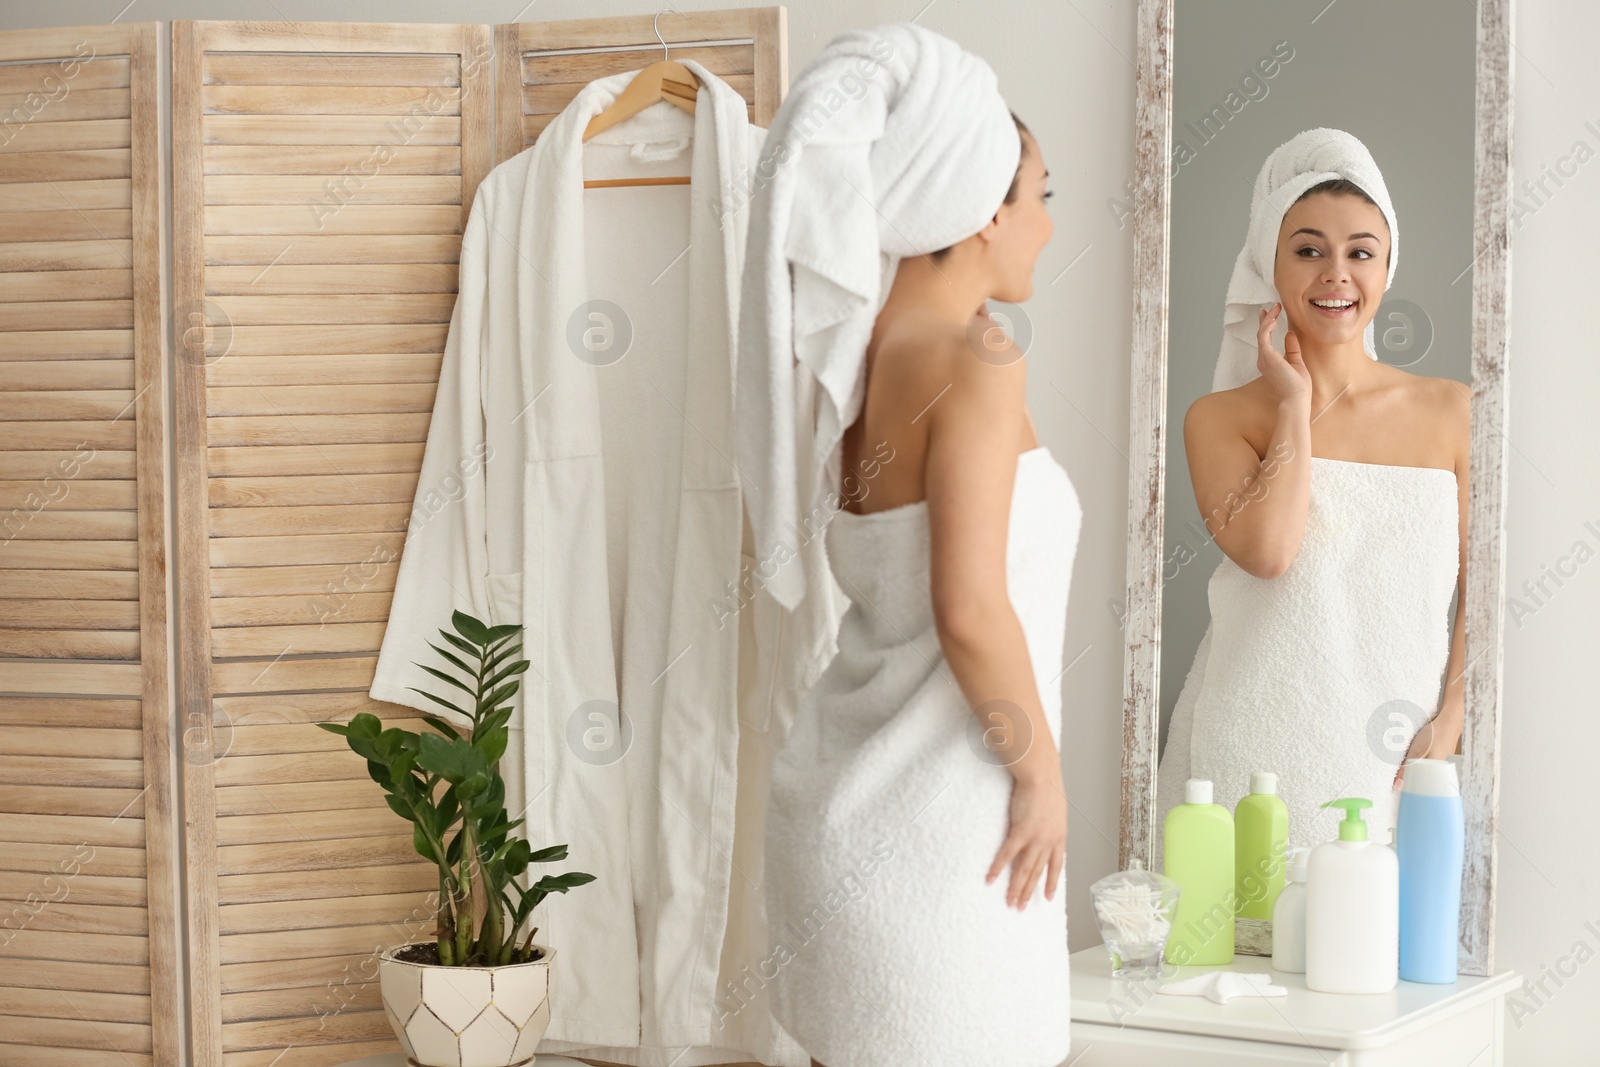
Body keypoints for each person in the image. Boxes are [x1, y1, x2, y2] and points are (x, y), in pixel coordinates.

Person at [737, 23, 1079, 1067]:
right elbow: (968, 605)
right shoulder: (977, 356)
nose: (1046, 228)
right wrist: (1042, 773)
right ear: (981, 204)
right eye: (1041, 196)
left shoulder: (853, 367)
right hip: (945, 845)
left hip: (845, 820)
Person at [1156, 128, 1468, 863]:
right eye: (1308, 249)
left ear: (1389, 267)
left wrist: (1450, 716)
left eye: (1361, 251)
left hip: (1399, 750)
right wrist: (1292, 406)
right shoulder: (1222, 418)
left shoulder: (1455, 413)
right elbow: (1269, 552)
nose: (1336, 273)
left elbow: (1487, 588)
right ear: (1270, 265)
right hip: (1251, 749)